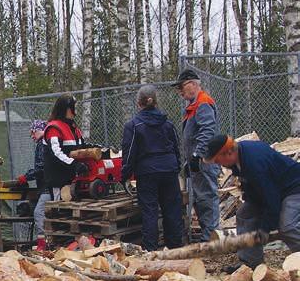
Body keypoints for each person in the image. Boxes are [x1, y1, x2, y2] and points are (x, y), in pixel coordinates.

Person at [204, 134, 300, 269]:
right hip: (275, 189)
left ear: (229, 153)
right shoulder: (240, 158)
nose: (219, 165)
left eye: (218, 161)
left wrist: (264, 228)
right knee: (245, 214)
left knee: (287, 226)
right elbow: (254, 189)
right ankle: (250, 263)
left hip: (294, 188)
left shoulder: (254, 162)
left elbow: (271, 199)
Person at [120, 85, 185, 251]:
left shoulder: (133, 126)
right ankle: (176, 248)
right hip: (169, 170)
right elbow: (176, 148)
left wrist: (125, 175)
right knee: (172, 209)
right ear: (155, 102)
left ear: (138, 103)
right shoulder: (168, 124)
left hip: (147, 172)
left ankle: (151, 250)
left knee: (150, 211)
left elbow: (129, 153)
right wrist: (176, 167)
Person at [174, 69, 220, 242]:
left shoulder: (203, 103)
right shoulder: (194, 105)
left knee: (207, 197)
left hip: (205, 160)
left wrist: (196, 155)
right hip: (198, 160)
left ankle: (212, 237)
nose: (180, 91)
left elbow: (207, 131)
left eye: (182, 87)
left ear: (193, 84)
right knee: (201, 199)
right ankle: (208, 235)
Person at [42, 94, 85, 201]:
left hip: (73, 179)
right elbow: (56, 153)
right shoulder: (54, 128)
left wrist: (99, 150)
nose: (76, 110)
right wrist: (74, 164)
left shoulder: (73, 127)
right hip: (59, 180)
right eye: (74, 107)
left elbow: (82, 147)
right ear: (68, 109)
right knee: (61, 211)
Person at [18, 119, 49, 251]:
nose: (31, 136)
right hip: (44, 186)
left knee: (38, 212)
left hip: (48, 186)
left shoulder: (44, 144)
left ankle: (43, 243)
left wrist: (27, 176)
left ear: (39, 130)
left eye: (33, 132)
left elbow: (42, 167)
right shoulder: (41, 144)